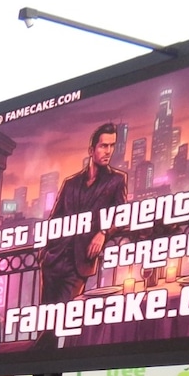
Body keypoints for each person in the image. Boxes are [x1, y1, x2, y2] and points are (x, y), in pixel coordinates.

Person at [39, 123, 128, 309]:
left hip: (79, 263)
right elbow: (55, 219)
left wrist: (103, 233)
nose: (109, 151)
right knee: (45, 319)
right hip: (53, 261)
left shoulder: (117, 180)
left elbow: (122, 214)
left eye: (112, 146)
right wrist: (45, 252)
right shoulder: (70, 183)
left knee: (61, 319)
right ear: (91, 150)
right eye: (104, 146)